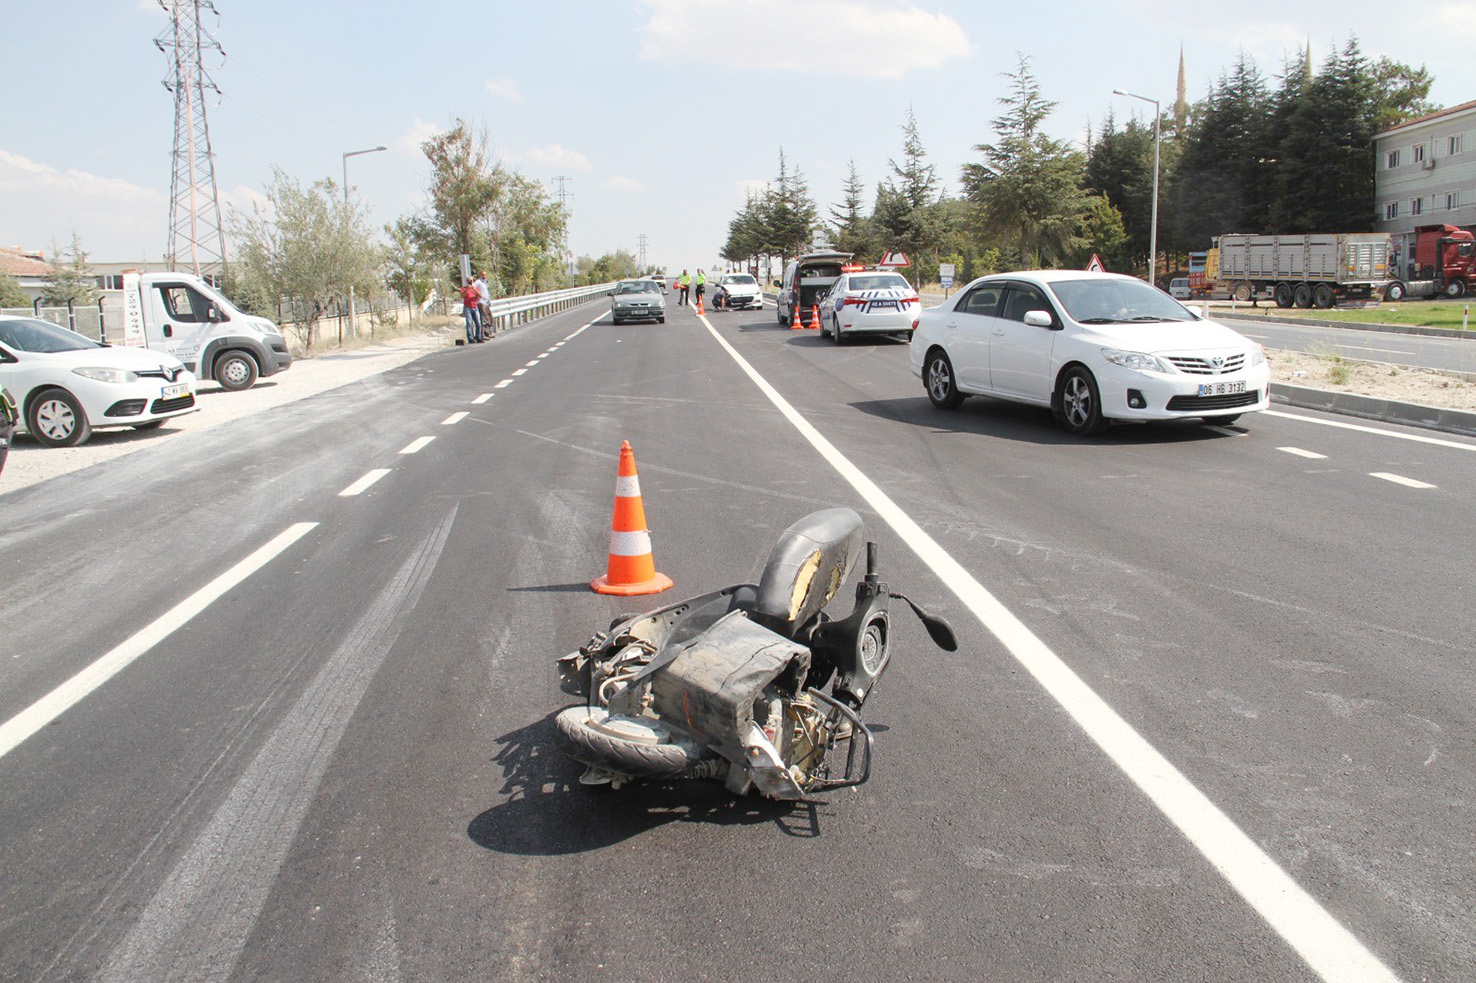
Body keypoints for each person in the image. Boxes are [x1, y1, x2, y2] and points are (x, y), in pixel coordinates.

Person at [474, 271, 492, 340]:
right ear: (480, 275)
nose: (484, 276)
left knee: (489, 317)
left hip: (486, 302)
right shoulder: (478, 282)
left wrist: (489, 301)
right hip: (481, 302)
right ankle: (483, 334)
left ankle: (488, 333)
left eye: (485, 275)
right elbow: (473, 286)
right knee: (484, 319)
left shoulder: (485, 283)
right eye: (482, 275)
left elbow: (487, 292)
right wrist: (478, 294)